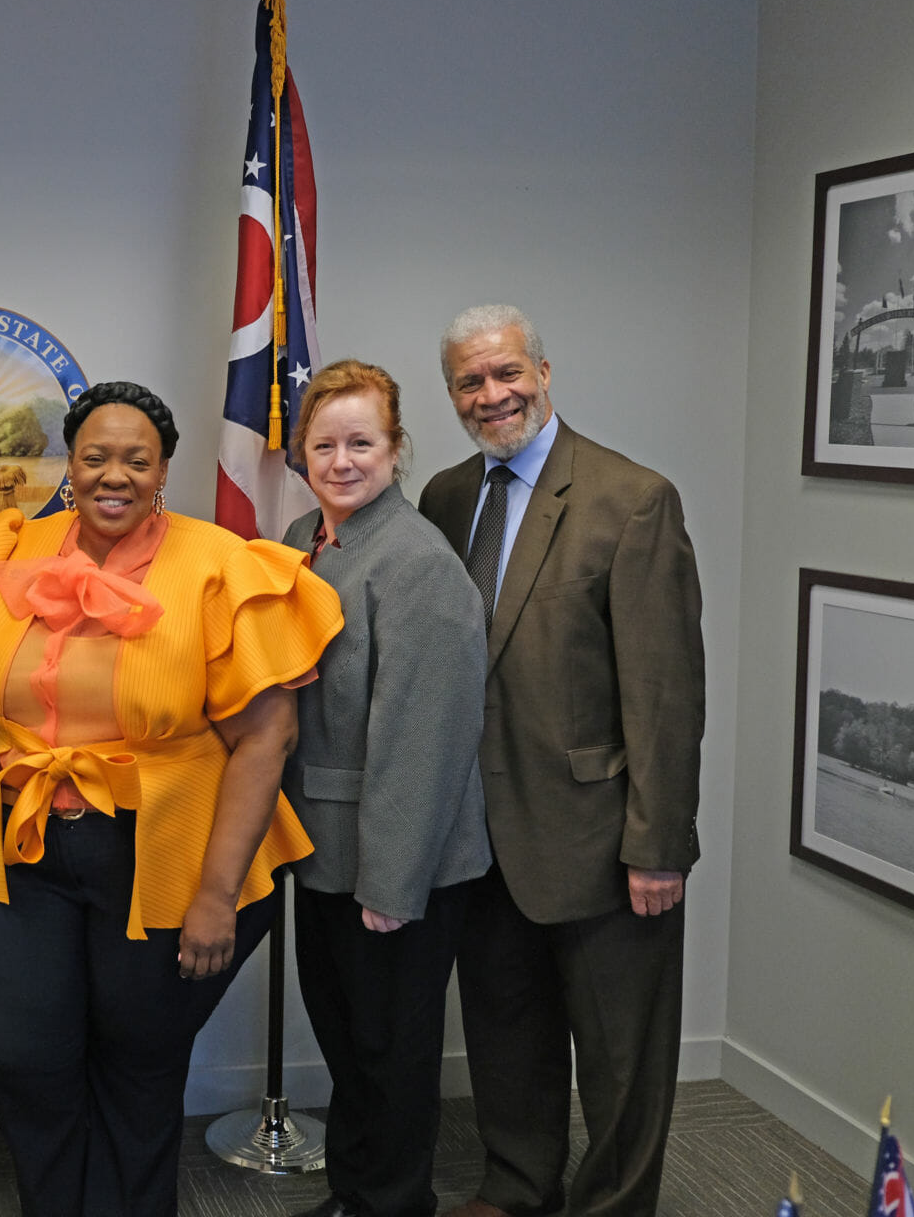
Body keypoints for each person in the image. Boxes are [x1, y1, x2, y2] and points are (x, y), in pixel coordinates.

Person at [0, 380, 343, 1217]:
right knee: (22, 1046)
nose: (115, 474)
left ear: (162, 471)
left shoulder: (220, 563)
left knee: (140, 1057)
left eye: (136, 459)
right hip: (21, 836)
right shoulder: (11, 546)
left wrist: (217, 895)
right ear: (70, 466)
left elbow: (269, 737)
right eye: (96, 456)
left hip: (163, 844)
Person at [418, 305, 704, 1217]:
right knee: (506, 1030)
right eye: (470, 381)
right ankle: (517, 1186)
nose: (492, 395)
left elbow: (664, 694)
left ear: (545, 371)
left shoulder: (633, 498)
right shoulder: (448, 496)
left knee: (622, 1057)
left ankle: (613, 1206)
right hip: (484, 834)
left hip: (602, 837)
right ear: (453, 394)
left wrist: (658, 844)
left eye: (507, 373)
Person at [279, 360, 492, 1217]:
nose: (341, 460)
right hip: (322, 847)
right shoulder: (305, 539)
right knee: (347, 1043)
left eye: (361, 442)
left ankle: (395, 1203)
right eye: (323, 444)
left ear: (397, 451)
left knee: (391, 1052)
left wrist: (393, 883)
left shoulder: (415, 562)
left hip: (393, 860)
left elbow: (425, 739)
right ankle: (356, 1193)